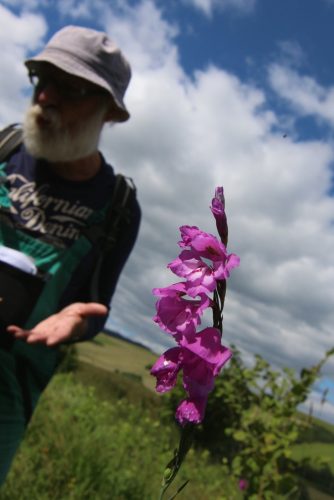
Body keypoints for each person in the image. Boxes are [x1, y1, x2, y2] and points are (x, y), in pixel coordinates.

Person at [0, 25, 141, 485]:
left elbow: (97, 307)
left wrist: (79, 322)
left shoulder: (117, 207)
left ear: (111, 114)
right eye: (41, 78)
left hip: (8, 393)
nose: (46, 97)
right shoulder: (3, 149)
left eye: (71, 88)